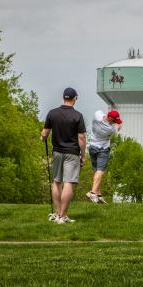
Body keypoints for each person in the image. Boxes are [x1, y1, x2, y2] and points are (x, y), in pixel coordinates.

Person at [41, 87, 86, 224]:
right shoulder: (77, 115)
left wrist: (43, 138)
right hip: (72, 153)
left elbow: (44, 134)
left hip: (57, 152)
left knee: (56, 181)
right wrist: (83, 155)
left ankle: (56, 213)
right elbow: (82, 138)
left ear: (63, 97)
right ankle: (62, 216)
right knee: (68, 183)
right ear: (75, 99)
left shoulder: (52, 113)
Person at [86, 109, 122, 204]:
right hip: (103, 149)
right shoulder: (111, 129)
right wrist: (118, 124)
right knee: (100, 172)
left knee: (96, 172)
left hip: (92, 147)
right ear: (110, 119)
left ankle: (99, 195)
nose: (115, 123)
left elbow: (102, 114)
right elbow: (118, 127)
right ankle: (93, 192)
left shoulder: (97, 115)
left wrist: (111, 113)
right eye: (114, 121)